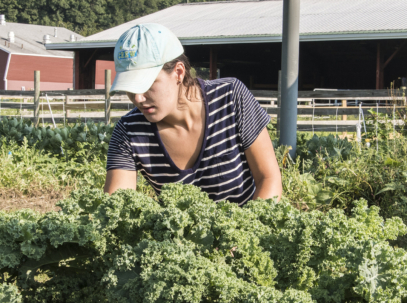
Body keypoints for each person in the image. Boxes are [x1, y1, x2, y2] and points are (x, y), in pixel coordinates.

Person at [104, 23, 282, 205]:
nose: (138, 98)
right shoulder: (129, 131)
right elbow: (118, 207)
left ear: (179, 73)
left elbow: (268, 179)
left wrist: (250, 229)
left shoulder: (230, 98)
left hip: (248, 228)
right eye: (130, 89)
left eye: (147, 85)